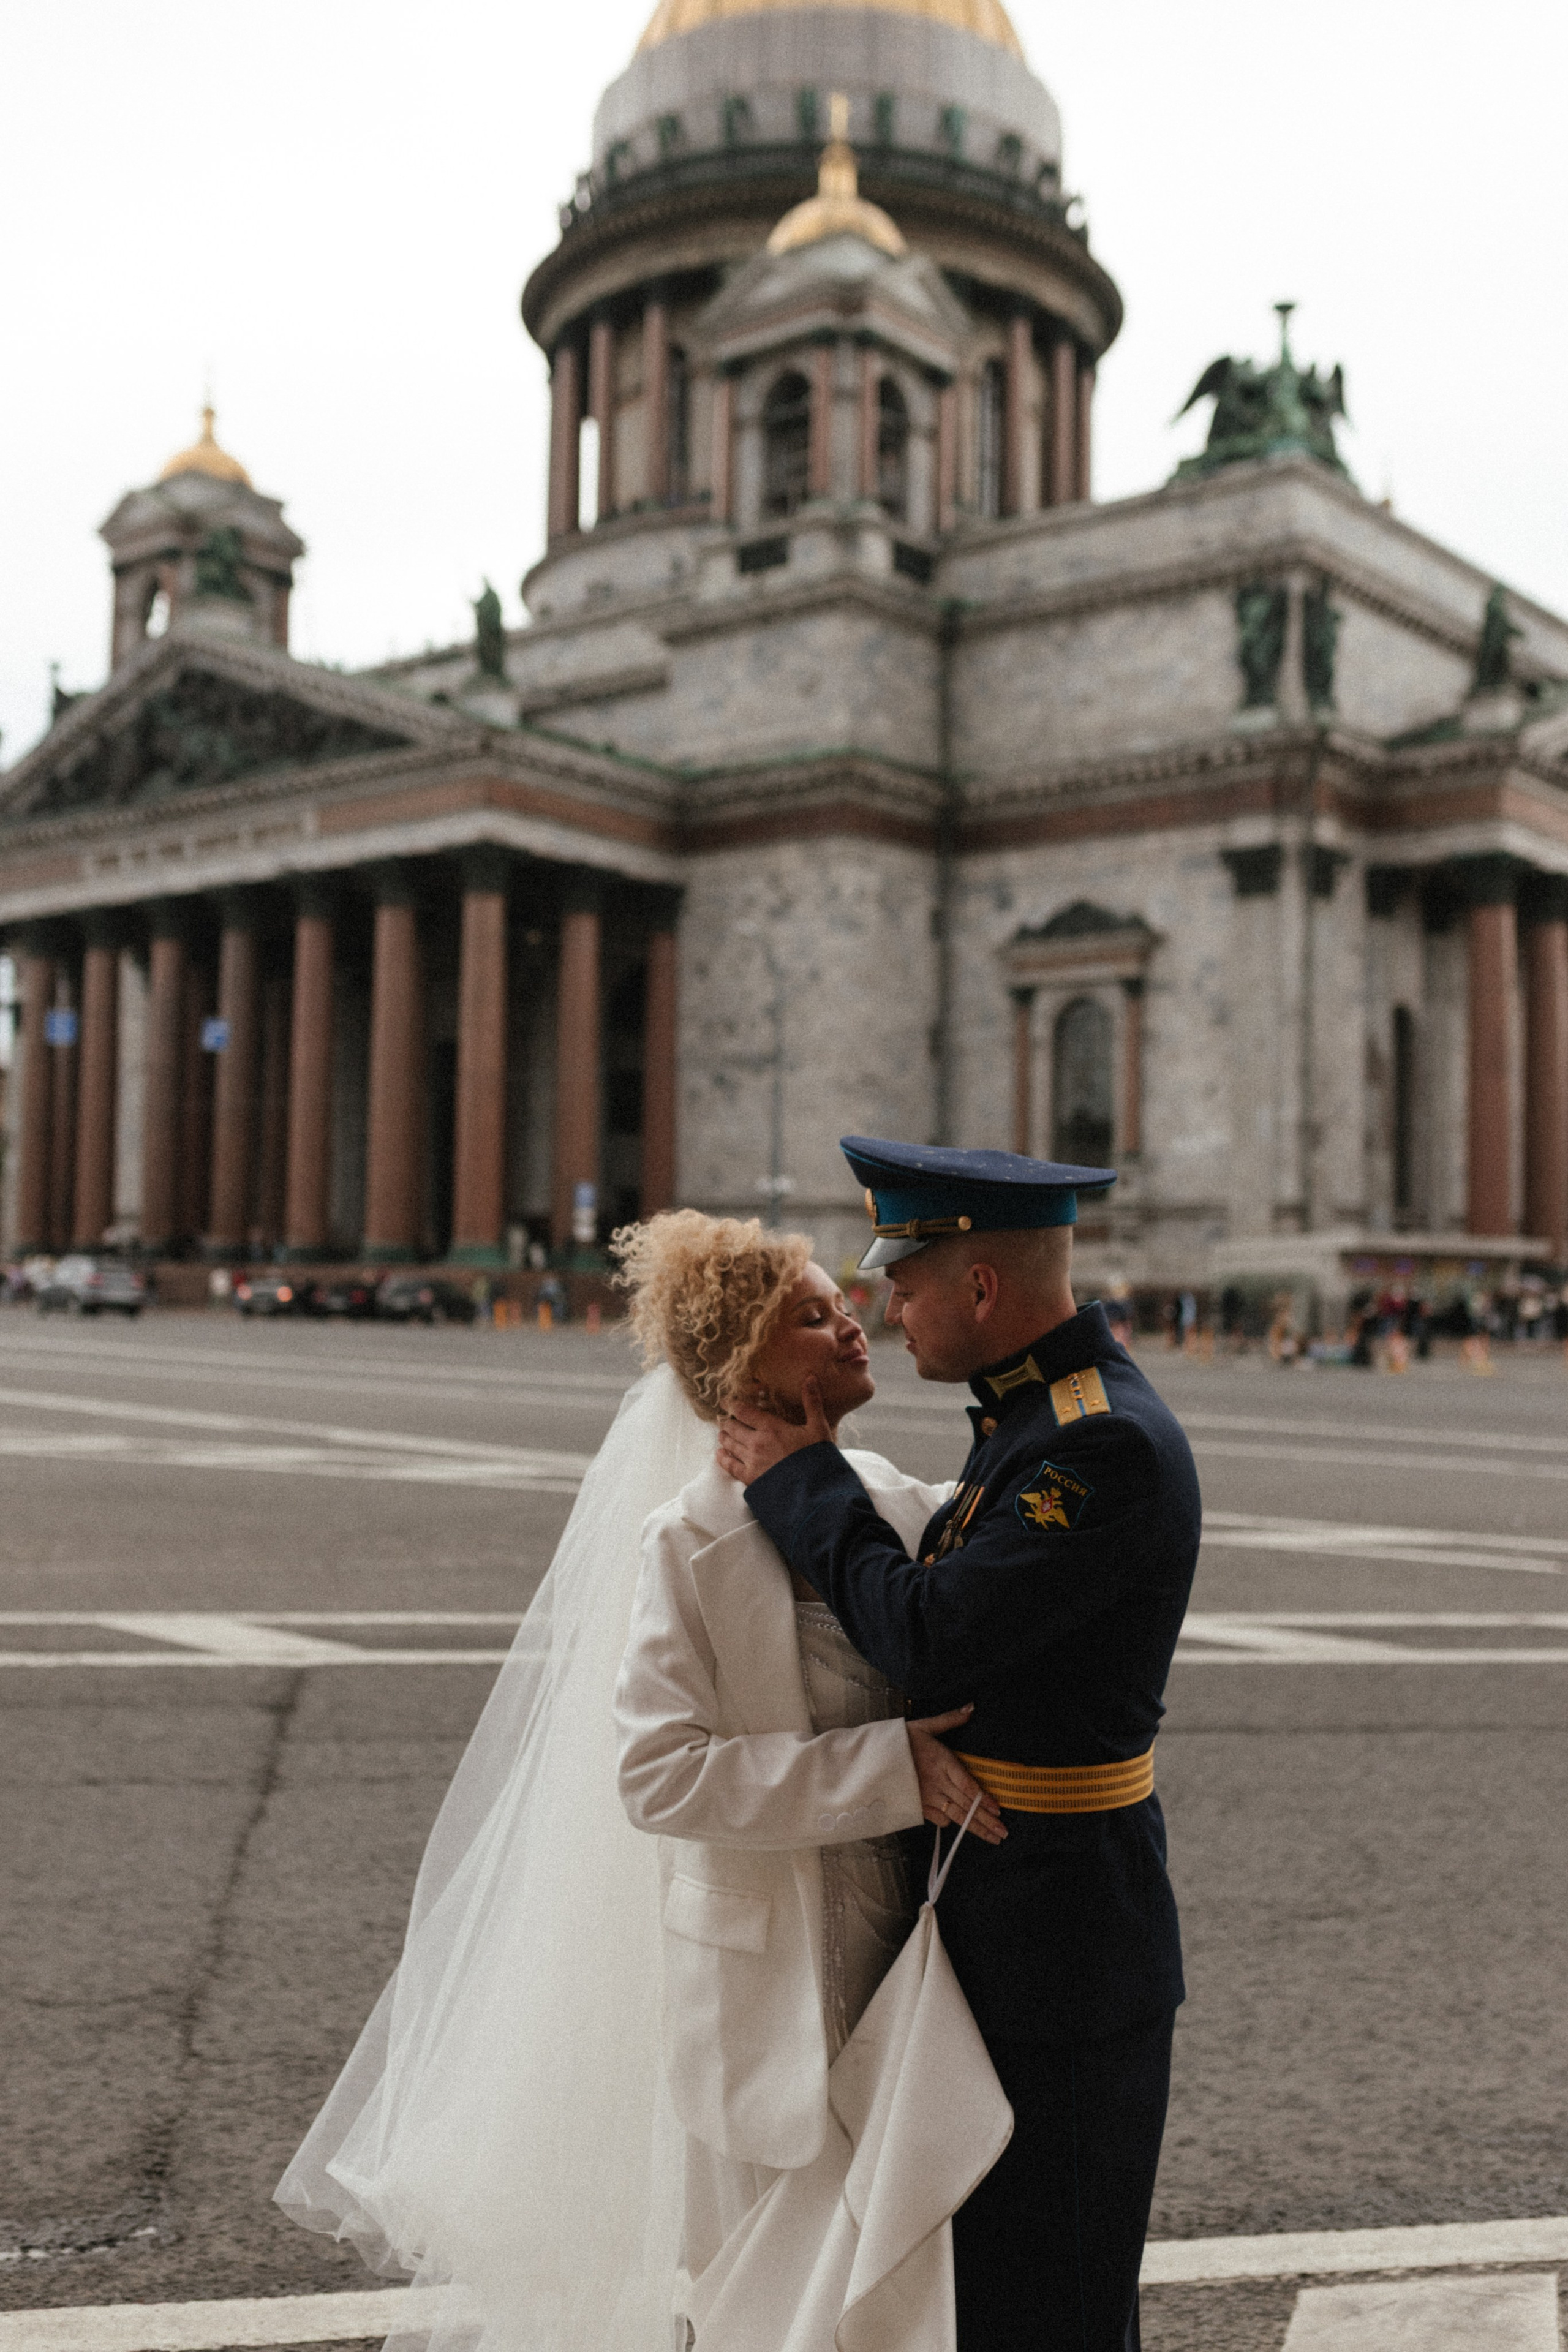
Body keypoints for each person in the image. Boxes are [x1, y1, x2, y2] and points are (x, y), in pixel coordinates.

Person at [275, 1209, 1008, 2352]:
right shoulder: (686, 1540)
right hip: (769, 1984)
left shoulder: (900, 1502)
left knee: (890, 2285)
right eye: (811, 1317)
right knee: (760, 2301)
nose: (850, 1322)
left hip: (904, 1965)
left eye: (838, 1302)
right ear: (743, 1370)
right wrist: (887, 1772)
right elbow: (659, 1778)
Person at [717, 1137, 1202, 2352]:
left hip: (1064, 1945)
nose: (889, 1308)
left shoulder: (1093, 1446)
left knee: (1058, 2305)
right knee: (986, 2296)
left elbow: (930, 1643)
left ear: (978, 1287)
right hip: (1002, 1915)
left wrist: (803, 1481)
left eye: (904, 1280)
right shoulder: (1032, 1416)